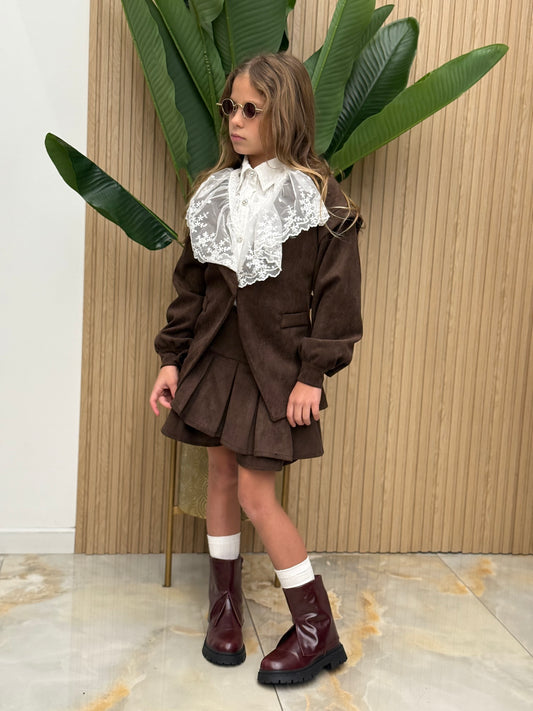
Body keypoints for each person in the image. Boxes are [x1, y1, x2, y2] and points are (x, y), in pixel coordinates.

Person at [149, 52, 363, 686]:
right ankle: (224, 610)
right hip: (215, 359)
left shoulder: (318, 199)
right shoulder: (215, 191)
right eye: (230, 107)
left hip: (276, 368)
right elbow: (192, 288)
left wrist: (312, 375)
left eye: (251, 110)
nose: (235, 121)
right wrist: (171, 360)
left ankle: (316, 629)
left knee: (255, 494)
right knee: (220, 477)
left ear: (285, 114)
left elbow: (338, 299)